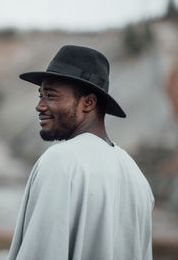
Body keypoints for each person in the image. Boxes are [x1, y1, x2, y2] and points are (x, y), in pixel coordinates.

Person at [8, 45, 154, 260]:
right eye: (40, 95)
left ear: (88, 103)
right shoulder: (137, 177)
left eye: (51, 95)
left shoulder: (61, 161)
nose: (40, 106)